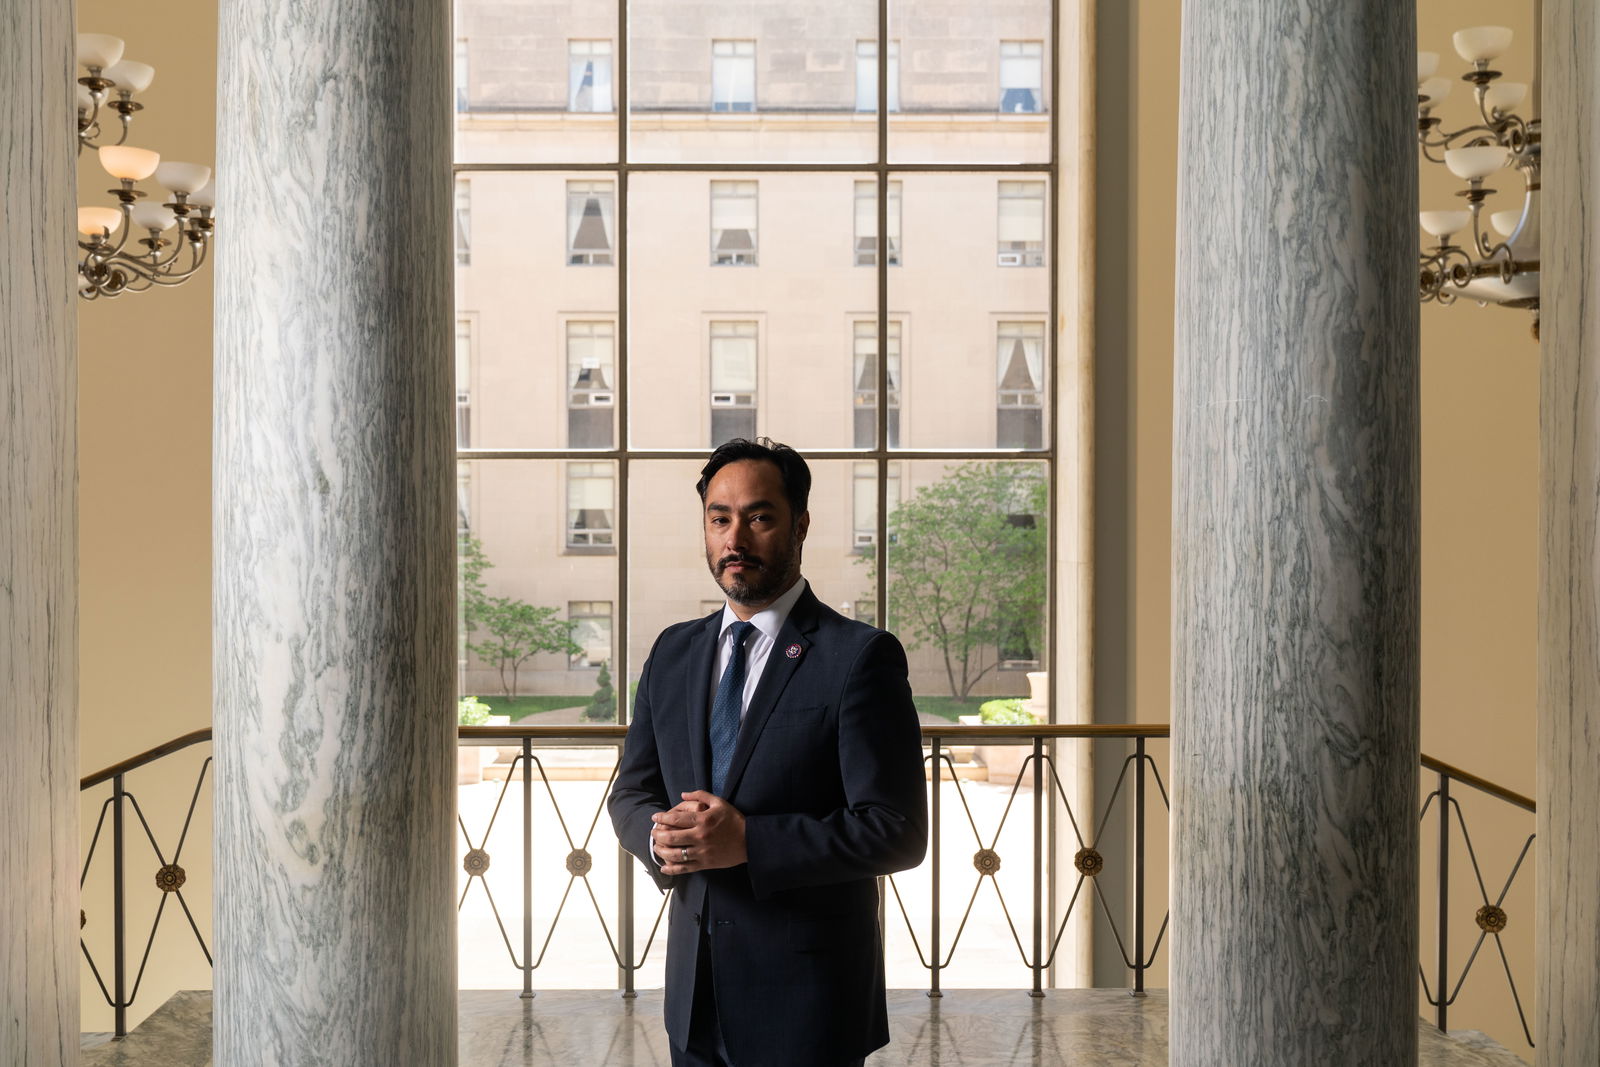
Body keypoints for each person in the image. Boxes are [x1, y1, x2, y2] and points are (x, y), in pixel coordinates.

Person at [608, 438, 928, 1067]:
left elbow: (897, 832)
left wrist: (749, 841)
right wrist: (658, 840)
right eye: (719, 518)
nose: (736, 539)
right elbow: (631, 791)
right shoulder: (672, 654)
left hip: (808, 1003)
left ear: (799, 524)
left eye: (759, 516)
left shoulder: (858, 657)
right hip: (693, 998)